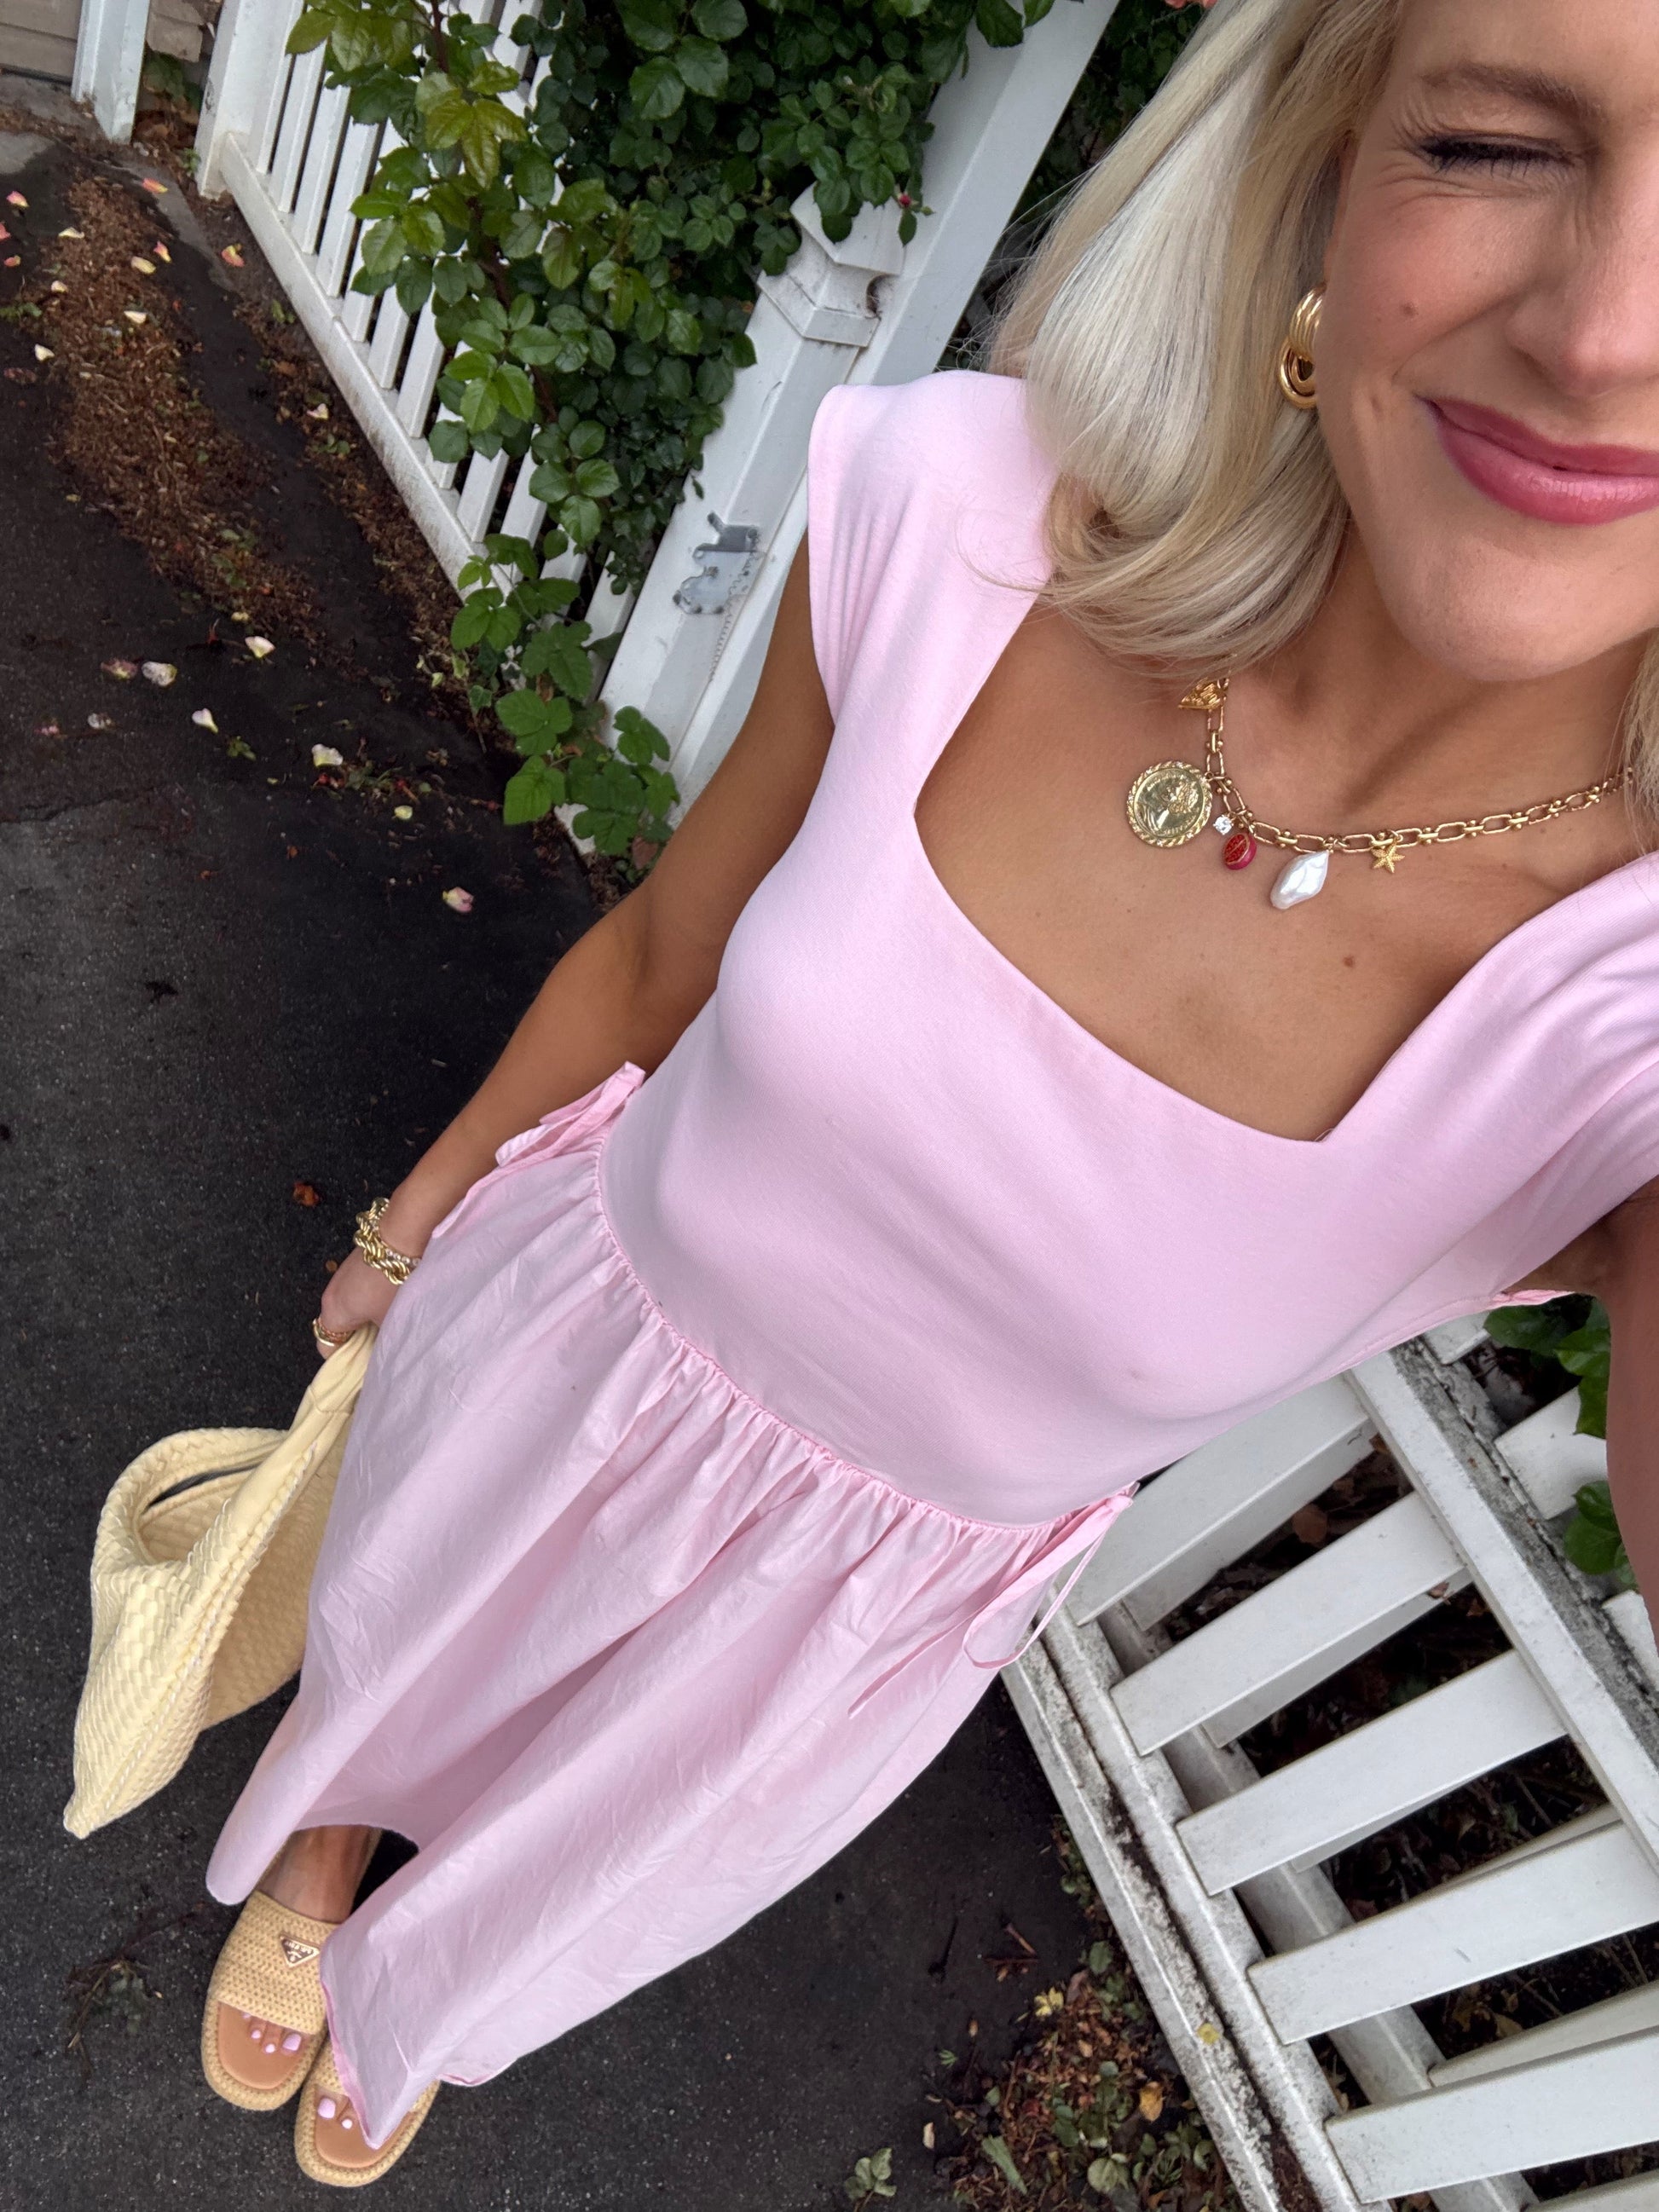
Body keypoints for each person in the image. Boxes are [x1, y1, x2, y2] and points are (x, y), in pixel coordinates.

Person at [198, 0, 1659, 2182]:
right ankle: (326, 1841)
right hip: (557, 1344)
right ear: (1324, 179)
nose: (1606, 328)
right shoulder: (966, 521)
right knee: (394, 1643)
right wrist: (414, 1221)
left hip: (833, 1625)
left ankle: (427, 1991)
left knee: (581, 1855)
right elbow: (666, 951)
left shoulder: (1618, 1024)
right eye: (1499, 143)